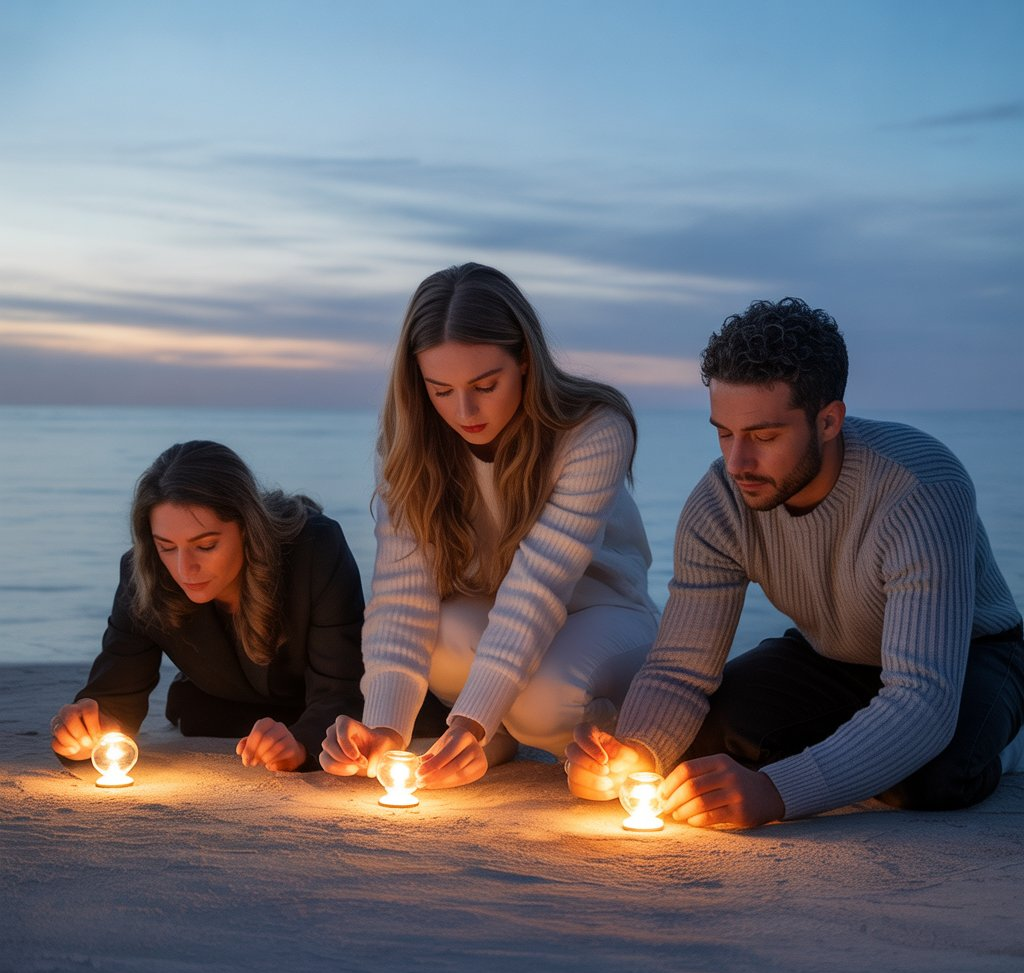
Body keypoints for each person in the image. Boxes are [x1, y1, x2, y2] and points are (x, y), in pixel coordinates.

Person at [566, 297, 1024, 827]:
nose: (737, 463)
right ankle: (866, 736)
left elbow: (922, 695)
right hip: (832, 655)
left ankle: (1006, 733)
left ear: (828, 421)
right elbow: (681, 668)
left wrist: (774, 792)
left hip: (968, 655)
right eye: (724, 432)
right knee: (700, 740)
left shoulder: (919, 488)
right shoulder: (720, 502)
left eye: (764, 436)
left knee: (931, 775)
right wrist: (636, 752)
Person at [320, 263, 660, 788]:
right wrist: (385, 729)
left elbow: (537, 586)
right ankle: (493, 740)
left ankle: (596, 746)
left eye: (485, 384)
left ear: (525, 359)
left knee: (546, 703)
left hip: (603, 609)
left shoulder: (592, 430)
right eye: (440, 389)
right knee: (440, 638)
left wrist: (469, 719)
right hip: (494, 609)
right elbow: (401, 599)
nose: (464, 410)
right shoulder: (414, 448)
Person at [50, 440, 368, 772]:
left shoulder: (316, 548)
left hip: (323, 704)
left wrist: (301, 743)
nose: (185, 569)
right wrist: (83, 728)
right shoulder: (144, 574)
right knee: (198, 713)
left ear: (247, 528)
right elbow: (114, 695)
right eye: (167, 547)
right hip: (219, 706)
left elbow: (344, 687)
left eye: (206, 545)